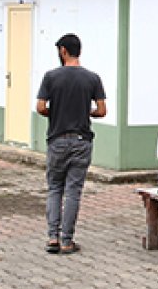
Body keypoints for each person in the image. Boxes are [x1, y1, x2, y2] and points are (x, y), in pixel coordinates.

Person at [35, 33, 107, 255]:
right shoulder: (92, 78)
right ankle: (68, 241)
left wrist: (54, 112)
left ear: (63, 51)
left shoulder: (51, 77)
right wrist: (87, 112)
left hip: (57, 139)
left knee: (55, 188)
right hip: (81, 141)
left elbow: (40, 107)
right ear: (79, 51)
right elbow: (102, 111)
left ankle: (52, 237)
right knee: (73, 191)